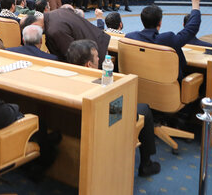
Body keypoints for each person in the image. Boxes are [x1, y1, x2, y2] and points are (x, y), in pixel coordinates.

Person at [65, 39, 160, 177]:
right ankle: (146, 164)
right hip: (104, 126)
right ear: (88, 64)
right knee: (144, 109)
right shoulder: (101, 87)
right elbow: (121, 112)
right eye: (97, 57)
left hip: (76, 125)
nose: (100, 59)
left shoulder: (67, 77)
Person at [126, 0, 201, 80]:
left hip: (139, 85)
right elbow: (191, 29)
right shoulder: (167, 40)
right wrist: (195, 3)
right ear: (160, 22)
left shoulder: (130, 38)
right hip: (171, 90)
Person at [42, 7, 110, 63]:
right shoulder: (59, 11)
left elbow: (71, 55)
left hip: (93, 55)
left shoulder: (55, 29)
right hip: (97, 41)